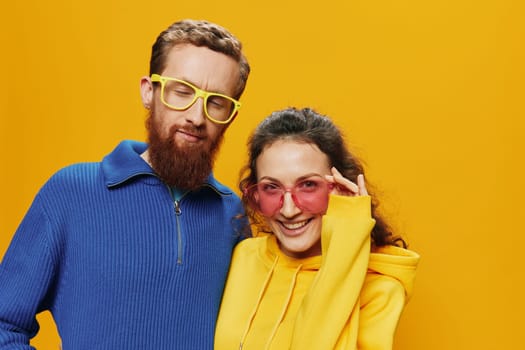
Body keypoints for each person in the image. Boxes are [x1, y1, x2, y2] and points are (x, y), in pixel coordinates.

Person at [0, 19, 250, 349]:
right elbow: (5, 324)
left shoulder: (233, 214)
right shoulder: (71, 193)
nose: (196, 116)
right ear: (149, 91)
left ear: (230, 115)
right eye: (182, 91)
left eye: (216, 101)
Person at [215, 107, 420, 350]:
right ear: (256, 194)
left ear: (340, 187)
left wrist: (349, 232)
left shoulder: (380, 290)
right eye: (272, 187)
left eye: (309, 185)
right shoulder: (244, 256)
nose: (289, 210)